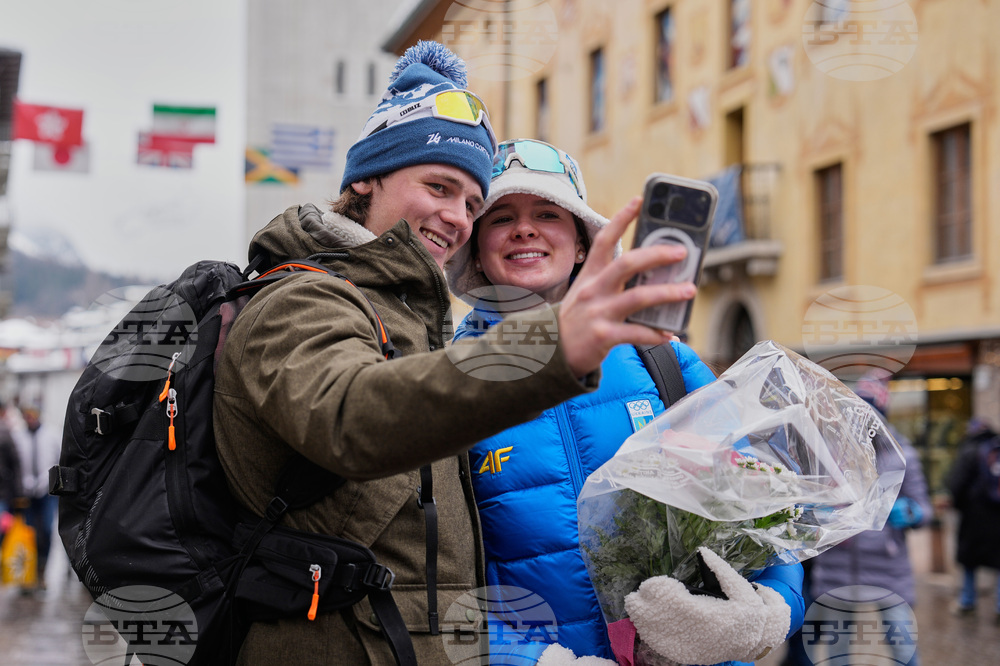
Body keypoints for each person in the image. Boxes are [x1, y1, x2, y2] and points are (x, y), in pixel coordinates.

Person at [214, 42, 698, 665]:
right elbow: (352, 416)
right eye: (439, 186)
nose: (458, 217)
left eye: (472, 201)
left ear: (581, 241)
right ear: (366, 177)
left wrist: (762, 607)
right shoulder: (301, 297)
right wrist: (556, 346)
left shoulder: (411, 325)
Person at [447, 138, 805, 665]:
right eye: (501, 217)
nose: (525, 228)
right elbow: (432, 589)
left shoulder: (660, 358)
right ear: (477, 247)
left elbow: (763, 512)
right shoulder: (445, 387)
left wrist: (772, 607)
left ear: (583, 243)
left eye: (548, 213)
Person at [800, 371, 932, 666]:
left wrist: (912, 512)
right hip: (836, 569)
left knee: (903, 649)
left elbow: (925, 508)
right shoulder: (831, 454)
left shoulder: (902, 456)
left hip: (888, 568)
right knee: (837, 655)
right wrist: (815, 511)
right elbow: (810, 503)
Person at [947, 417, 1000, 620]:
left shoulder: (970, 450)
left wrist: (959, 506)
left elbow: (956, 484)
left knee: (970, 561)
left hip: (974, 516)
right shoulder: (995, 448)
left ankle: (967, 601)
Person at [11, 405, 61, 590]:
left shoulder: (52, 435)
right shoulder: (18, 436)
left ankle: (42, 569)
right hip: (25, 493)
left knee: (46, 530)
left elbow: (59, 460)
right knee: (28, 532)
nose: (30, 418)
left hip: (46, 492)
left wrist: (48, 482)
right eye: (27, 415)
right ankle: (28, 573)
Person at [0, 400, 23, 529]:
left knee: (4, 527)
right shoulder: (5, 432)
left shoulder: (5, 432)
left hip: (3, 491)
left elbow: (15, 463)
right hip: (4, 491)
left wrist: (18, 491)